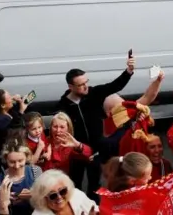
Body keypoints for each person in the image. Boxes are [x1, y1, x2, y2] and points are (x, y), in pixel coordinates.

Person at [56, 53, 134, 198]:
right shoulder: (63, 105)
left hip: (96, 149)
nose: (86, 86)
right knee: (74, 183)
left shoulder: (94, 93)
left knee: (94, 184)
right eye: (81, 85)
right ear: (70, 86)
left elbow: (115, 85)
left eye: (86, 82)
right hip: (76, 150)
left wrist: (128, 71)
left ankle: (94, 208)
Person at [29, 169, 98, 215]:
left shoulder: (77, 195)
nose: (59, 197)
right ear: (43, 198)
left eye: (62, 191)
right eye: (53, 195)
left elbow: (96, 209)